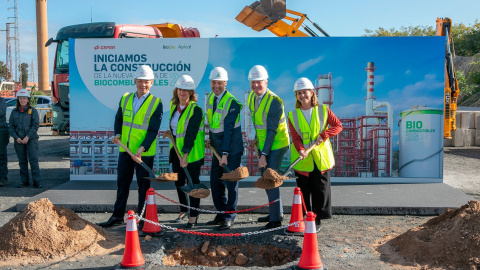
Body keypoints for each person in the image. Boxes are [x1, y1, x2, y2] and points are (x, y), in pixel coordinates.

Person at [97, 65, 163, 227]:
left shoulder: (156, 103)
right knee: (122, 183)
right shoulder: (126, 98)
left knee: (143, 186)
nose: (143, 85)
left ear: (152, 82)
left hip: (144, 153)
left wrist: (142, 148)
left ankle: (142, 219)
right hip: (125, 150)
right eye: (140, 81)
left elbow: (153, 130)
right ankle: (117, 216)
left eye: (146, 82)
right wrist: (117, 134)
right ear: (135, 81)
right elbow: (118, 119)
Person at [287, 77, 343, 232]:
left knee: (320, 190)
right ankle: (306, 217)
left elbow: (338, 126)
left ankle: (316, 219)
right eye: (299, 93)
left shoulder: (323, 110)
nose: (302, 96)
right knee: (304, 191)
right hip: (303, 159)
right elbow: (296, 138)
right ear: (296, 96)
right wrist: (301, 150)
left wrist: (324, 134)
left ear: (312, 93)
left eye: (305, 92)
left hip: (320, 157)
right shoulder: (292, 115)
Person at [247, 65, 290, 230]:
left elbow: (271, 131)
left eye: (259, 82)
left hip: (277, 144)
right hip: (264, 143)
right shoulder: (252, 97)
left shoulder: (274, 101)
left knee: (270, 178)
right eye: (253, 82)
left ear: (266, 81)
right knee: (267, 179)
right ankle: (276, 212)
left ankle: (275, 221)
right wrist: (256, 140)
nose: (256, 86)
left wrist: (264, 155)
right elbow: (259, 124)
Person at [204, 67, 244, 231]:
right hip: (217, 147)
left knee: (231, 181)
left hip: (231, 148)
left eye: (219, 83)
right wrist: (208, 139)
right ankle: (221, 213)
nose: (216, 86)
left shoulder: (232, 102)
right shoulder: (210, 99)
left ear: (225, 83)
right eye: (214, 82)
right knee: (215, 181)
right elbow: (210, 123)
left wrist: (225, 154)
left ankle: (229, 216)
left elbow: (228, 130)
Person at [165, 74, 205, 228]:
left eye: (186, 90)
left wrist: (185, 155)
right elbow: (176, 129)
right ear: (177, 90)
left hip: (192, 154)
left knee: (194, 186)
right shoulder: (173, 106)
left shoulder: (196, 110)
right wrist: (170, 134)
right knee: (179, 183)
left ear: (191, 92)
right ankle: (184, 209)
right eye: (180, 89)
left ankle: (193, 216)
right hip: (176, 152)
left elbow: (191, 133)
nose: (182, 92)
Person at [8, 89, 41, 188]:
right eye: (20, 98)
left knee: (33, 160)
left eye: (24, 98)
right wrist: (16, 137)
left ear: (28, 100)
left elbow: (35, 125)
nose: (22, 100)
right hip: (19, 140)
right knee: (22, 161)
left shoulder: (32, 111)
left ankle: (37, 182)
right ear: (18, 100)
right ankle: (24, 182)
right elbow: (11, 127)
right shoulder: (14, 112)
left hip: (31, 139)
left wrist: (27, 137)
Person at [0, 96, 9, 187]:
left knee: (1, 155)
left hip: (1, 131)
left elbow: (1, 112)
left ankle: (3, 179)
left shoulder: (1, 100)